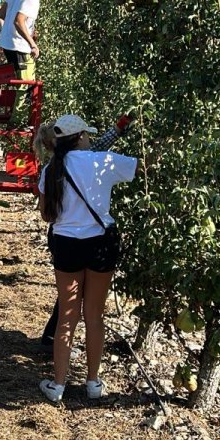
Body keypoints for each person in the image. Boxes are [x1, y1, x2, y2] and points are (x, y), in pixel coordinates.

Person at [37, 114, 138, 403]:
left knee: (67, 317)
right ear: (80, 136)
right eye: (87, 134)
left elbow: (46, 215)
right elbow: (141, 167)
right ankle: (93, 382)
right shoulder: (103, 161)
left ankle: (57, 386)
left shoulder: (51, 168)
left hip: (67, 243)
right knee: (94, 315)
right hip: (100, 244)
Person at [0, 0, 44, 125]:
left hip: (7, 44)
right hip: (20, 47)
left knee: (19, 83)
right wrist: (32, 43)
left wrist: (29, 29)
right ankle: (16, 121)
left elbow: (2, 13)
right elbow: (19, 21)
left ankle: (14, 115)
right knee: (26, 85)